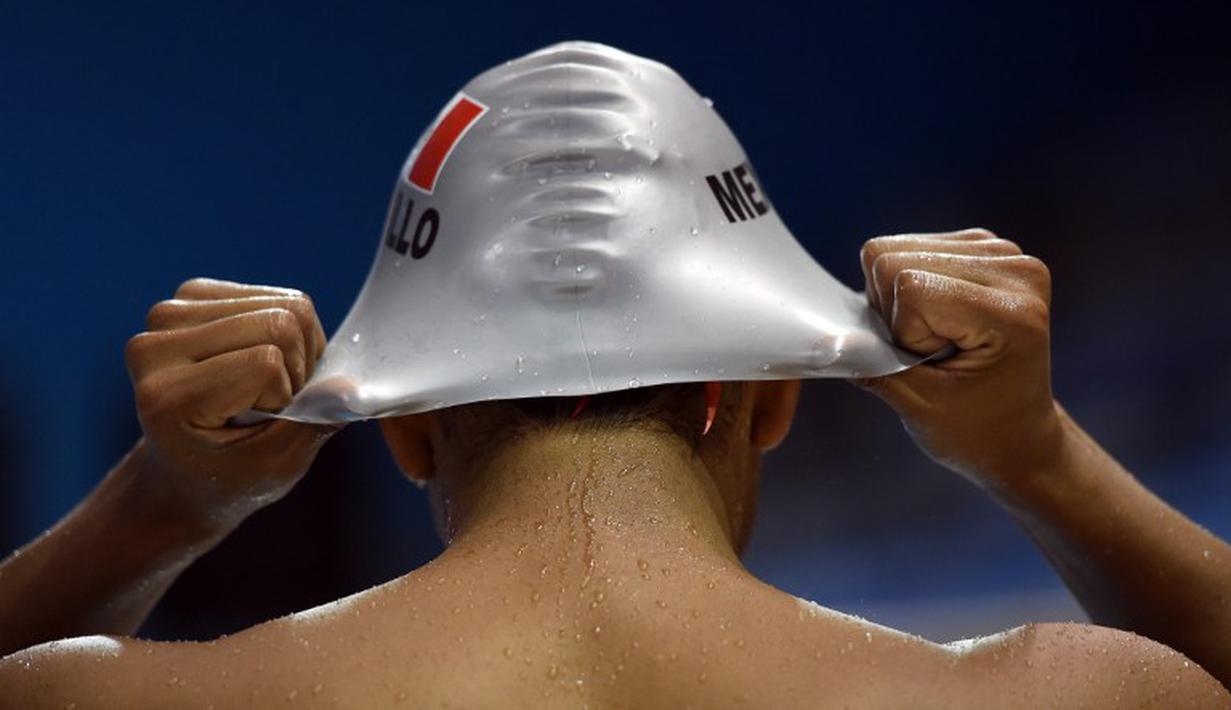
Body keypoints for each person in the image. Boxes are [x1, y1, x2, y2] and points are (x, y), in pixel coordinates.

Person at [0, 230, 1227, 708]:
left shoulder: (88, 700)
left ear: (411, 429)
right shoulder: (1091, 695)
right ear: (765, 402)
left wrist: (159, 509)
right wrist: (1039, 456)